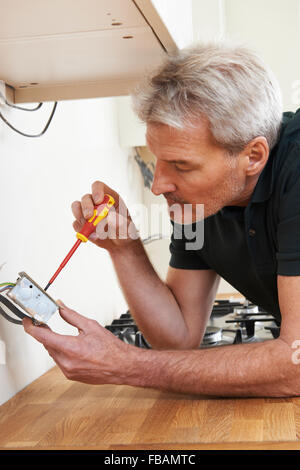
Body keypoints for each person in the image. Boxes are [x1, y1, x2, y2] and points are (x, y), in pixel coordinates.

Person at [23, 41, 300, 397]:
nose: (158, 186)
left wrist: (127, 364)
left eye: (182, 165)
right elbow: (179, 337)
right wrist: (125, 249)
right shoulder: (198, 203)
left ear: (253, 156)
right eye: (158, 160)